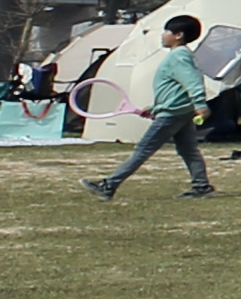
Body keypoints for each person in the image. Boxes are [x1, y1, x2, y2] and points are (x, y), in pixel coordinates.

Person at [82, 16, 218, 200]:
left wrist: (201, 104)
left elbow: (192, 81)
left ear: (178, 35)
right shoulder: (180, 55)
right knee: (188, 150)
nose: (163, 35)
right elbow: (176, 89)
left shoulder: (179, 56)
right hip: (177, 111)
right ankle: (201, 186)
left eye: (166, 31)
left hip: (173, 114)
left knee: (143, 149)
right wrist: (156, 107)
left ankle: (108, 185)